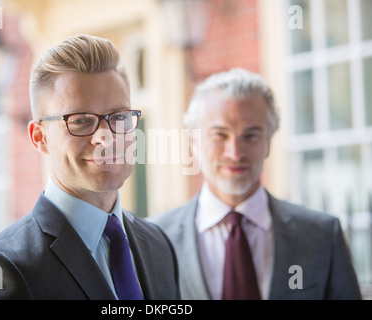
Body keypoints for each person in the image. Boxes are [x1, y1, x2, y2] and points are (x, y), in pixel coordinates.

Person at [0, 34, 180, 300]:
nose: (106, 136)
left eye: (119, 116)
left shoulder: (159, 244)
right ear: (39, 137)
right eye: (81, 121)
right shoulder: (2, 267)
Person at [152, 68, 362, 300]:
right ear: (194, 141)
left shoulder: (322, 236)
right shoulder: (153, 240)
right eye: (220, 135)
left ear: (268, 142)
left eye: (251, 135)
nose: (235, 153)